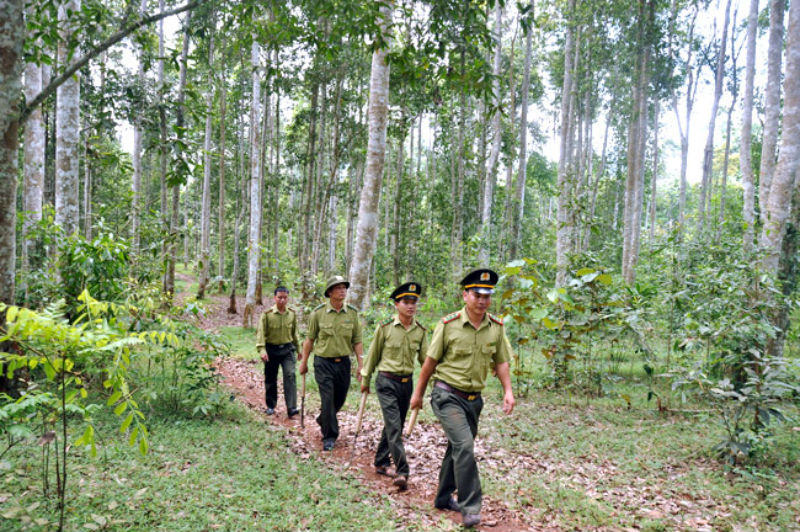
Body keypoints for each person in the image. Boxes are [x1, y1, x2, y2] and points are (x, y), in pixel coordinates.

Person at [409, 268, 515, 528]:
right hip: (446, 395)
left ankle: (443, 497)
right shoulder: (448, 325)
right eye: (477, 295)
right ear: (465, 295)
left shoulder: (496, 328)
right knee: (465, 447)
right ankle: (470, 507)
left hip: (474, 400)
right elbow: (430, 363)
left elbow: (501, 361)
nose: (482, 301)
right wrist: (418, 394)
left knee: (456, 448)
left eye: (487, 296)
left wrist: (508, 391)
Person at [360, 282, 428, 491]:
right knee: (395, 427)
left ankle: (381, 461)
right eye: (406, 302)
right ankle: (403, 470)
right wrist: (365, 379)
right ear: (396, 304)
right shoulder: (385, 328)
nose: (411, 306)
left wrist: (429, 385)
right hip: (386, 382)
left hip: (406, 384)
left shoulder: (420, 331)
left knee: (393, 424)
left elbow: (426, 361)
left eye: (414, 302)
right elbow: (372, 355)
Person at [299, 275, 364, 451]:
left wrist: (361, 364)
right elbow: (309, 340)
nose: (342, 290)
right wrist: (304, 362)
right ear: (329, 292)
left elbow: (357, 341)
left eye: (344, 287)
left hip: (343, 363)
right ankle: (330, 435)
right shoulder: (318, 313)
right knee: (327, 399)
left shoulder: (351, 313)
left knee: (340, 398)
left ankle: (324, 418)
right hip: (323, 363)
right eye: (338, 288)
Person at [256, 286, 300, 418]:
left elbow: (295, 333)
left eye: (285, 297)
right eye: (279, 297)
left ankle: (291, 407)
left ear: (288, 298)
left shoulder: (291, 313)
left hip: (287, 350)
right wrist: (262, 350)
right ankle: (270, 405)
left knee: (290, 375)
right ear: (275, 298)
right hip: (271, 350)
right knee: (270, 378)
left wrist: (299, 349)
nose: (282, 300)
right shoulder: (267, 314)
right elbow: (261, 334)